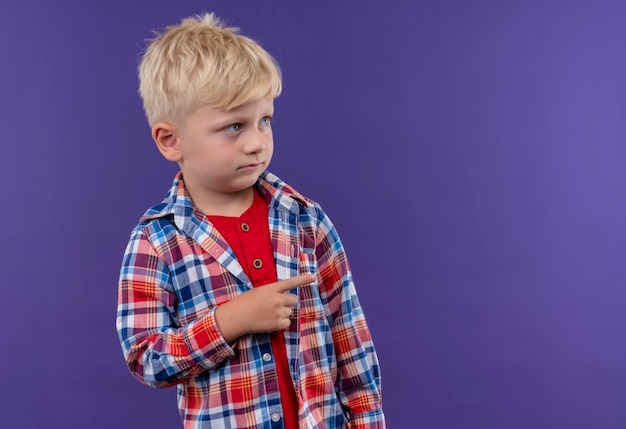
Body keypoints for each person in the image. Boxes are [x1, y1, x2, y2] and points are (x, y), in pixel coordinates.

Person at [116, 12, 385, 429]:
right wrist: (229, 322)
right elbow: (146, 358)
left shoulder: (305, 220)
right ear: (171, 140)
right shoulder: (156, 240)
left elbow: (350, 338)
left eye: (265, 121)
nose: (257, 142)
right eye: (234, 126)